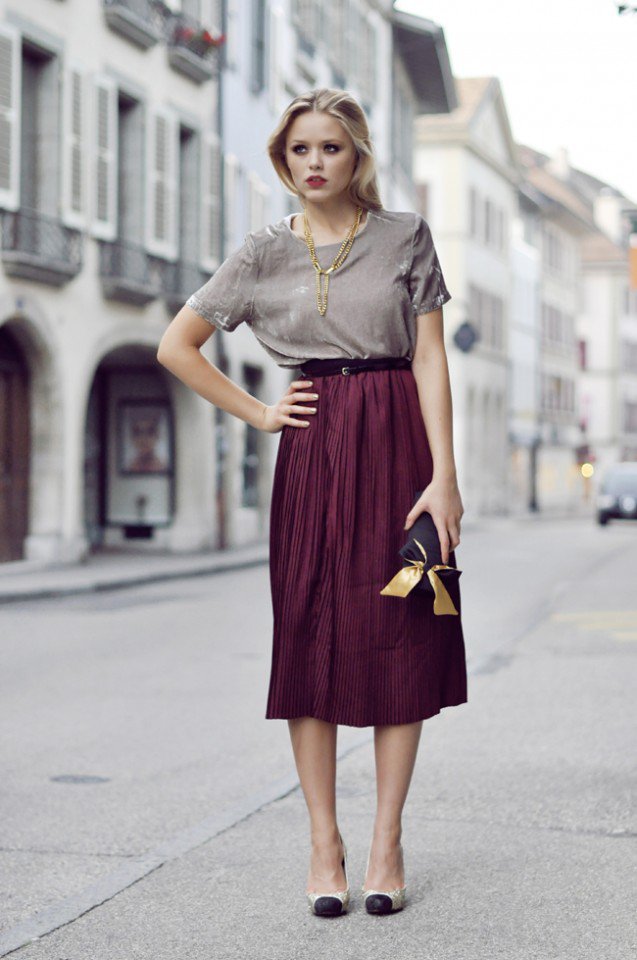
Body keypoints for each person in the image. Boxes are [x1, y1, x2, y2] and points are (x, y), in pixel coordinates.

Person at [157, 87, 468, 918]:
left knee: (403, 632)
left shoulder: (404, 235)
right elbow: (176, 345)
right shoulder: (261, 253)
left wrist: (444, 475)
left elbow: (431, 359)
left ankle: (385, 841)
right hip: (312, 449)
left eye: (331, 147)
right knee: (310, 636)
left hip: (399, 442)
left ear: (357, 153)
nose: (316, 162)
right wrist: (260, 412)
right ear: (282, 159)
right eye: (301, 150)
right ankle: (323, 842)